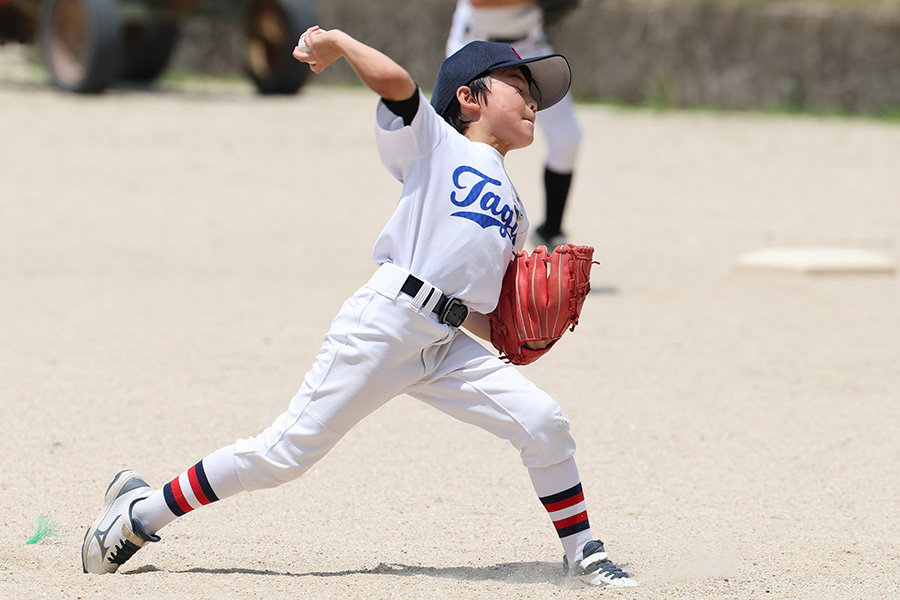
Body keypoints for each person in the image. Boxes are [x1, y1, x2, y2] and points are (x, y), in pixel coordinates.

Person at [80, 26, 636, 588]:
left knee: (543, 421)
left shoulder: (516, 207)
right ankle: (140, 513)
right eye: (518, 83)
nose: (533, 99)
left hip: (445, 343)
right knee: (282, 455)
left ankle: (583, 552)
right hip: (386, 322)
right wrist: (340, 44)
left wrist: (513, 334)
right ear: (469, 96)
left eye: (535, 91)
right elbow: (397, 84)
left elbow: (477, 304)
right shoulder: (436, 143)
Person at [446, 0, 582, 250]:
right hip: (476, 43)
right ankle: (454, 219)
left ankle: (551, 229)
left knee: (567, 137)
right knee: (461, 135)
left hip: (528, 45)